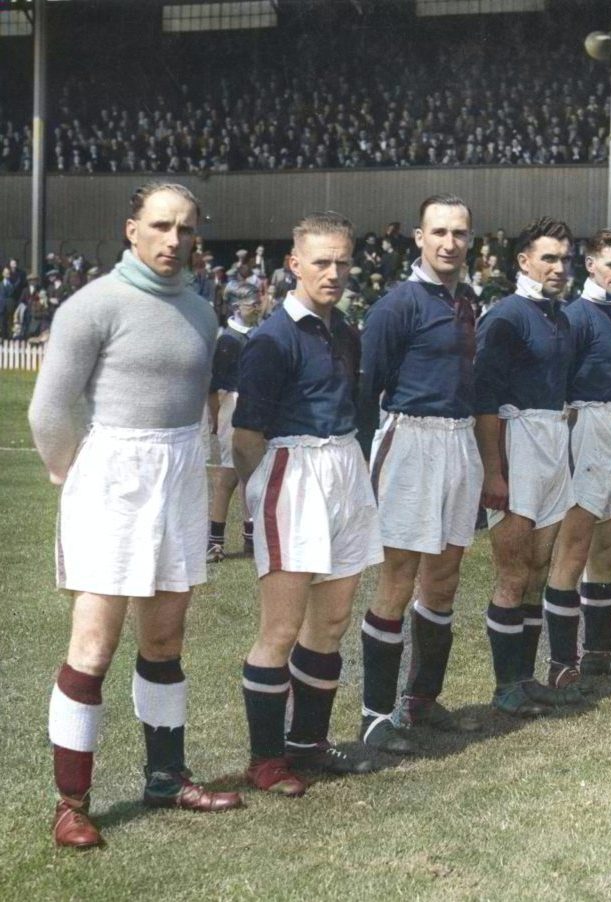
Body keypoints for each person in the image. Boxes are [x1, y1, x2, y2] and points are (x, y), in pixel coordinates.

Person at [28, 182, 242, 849]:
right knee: (93, 645)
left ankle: (166, 776)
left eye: (185, 228)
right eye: (160, 226)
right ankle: (72, 803)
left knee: (165, 642)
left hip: (179, 471)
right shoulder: (92, 306)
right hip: (113, 477)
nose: (173, 240)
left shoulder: (202, 313)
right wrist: (72, 470)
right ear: (132, 230)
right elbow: (49, 411)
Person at [234, 211, 386, 797]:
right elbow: (246, 436)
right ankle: (266, 759)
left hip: (345, 467)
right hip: (293, 473)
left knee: (332, 621)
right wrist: (261, 503)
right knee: (281, 627)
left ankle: (309, 744)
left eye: (342, 261)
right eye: (321, 262)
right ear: (294, 264)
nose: (334, 272)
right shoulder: (272, 338)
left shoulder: (345, 331)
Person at [354, 194, 483, 756]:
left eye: (458, 233)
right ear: (418, 237)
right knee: (398, 577)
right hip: (410, 439)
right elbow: (365, 391)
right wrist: (361, 466)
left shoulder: (469, 302)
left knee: (446, 576)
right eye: (439, 232)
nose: (449, 242)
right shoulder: (396, 305)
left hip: (460, 442)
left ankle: (422, 699)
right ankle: (376, 715)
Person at [473, 217, 578, 717]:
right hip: (517, 443)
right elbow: (485, 402)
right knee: (513, 570)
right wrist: (494, 472)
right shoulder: (504, 316)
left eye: (564, 259)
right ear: (523, 261)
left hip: (554, 439)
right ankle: (504, 684)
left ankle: (526, 675)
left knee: (539, 567)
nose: (559, 267)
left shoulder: (558, 316)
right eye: (549, 258)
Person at [541, 229, 611, 681]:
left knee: (608, 544)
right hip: (585, 426)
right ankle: (563, 662)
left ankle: (600, 648)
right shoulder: (575, 316)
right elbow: (559, 386)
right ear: (591, 265)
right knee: (575, 546)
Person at [206, 284, 264, 563]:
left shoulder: (258, 334)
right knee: (229, 474)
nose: (257, 306)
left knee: (252, 474)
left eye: (257, 301)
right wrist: (216, 419)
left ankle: (251, 536)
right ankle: (214, 540)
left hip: (254, 405)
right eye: (251, 302)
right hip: (232, 404)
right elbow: (213, 386)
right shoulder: (228, 341)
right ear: (235, 307)